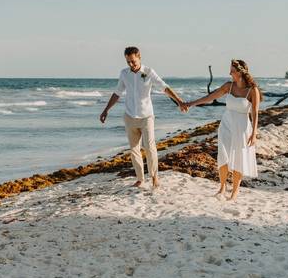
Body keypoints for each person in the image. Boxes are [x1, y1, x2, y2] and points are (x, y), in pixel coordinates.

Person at [100, 46, 185, 189]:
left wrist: (179, 101)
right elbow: (117, 93)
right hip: (130, 116)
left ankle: (154, 177)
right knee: (134, 149)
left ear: (139, 57)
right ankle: (140, 178)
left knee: (150, 147)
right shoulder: (124, 73)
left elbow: (164, 87)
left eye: (133, 61)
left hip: (146, 117)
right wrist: (106, 110)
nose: (131, 64)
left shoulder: (149, 72)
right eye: (128, 62)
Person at [182, 59, 260, 201]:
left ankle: (235, 191)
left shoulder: (252, 90)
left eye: (232, 70)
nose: (230, 72)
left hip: (242, 127)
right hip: (226, 123)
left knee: (239, 158)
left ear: (240, 72)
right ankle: (222, 187)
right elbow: (210, 97)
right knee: (223, 154)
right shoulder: (228, 86)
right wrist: (191, 103)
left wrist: (254, 133)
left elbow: (255, 112)